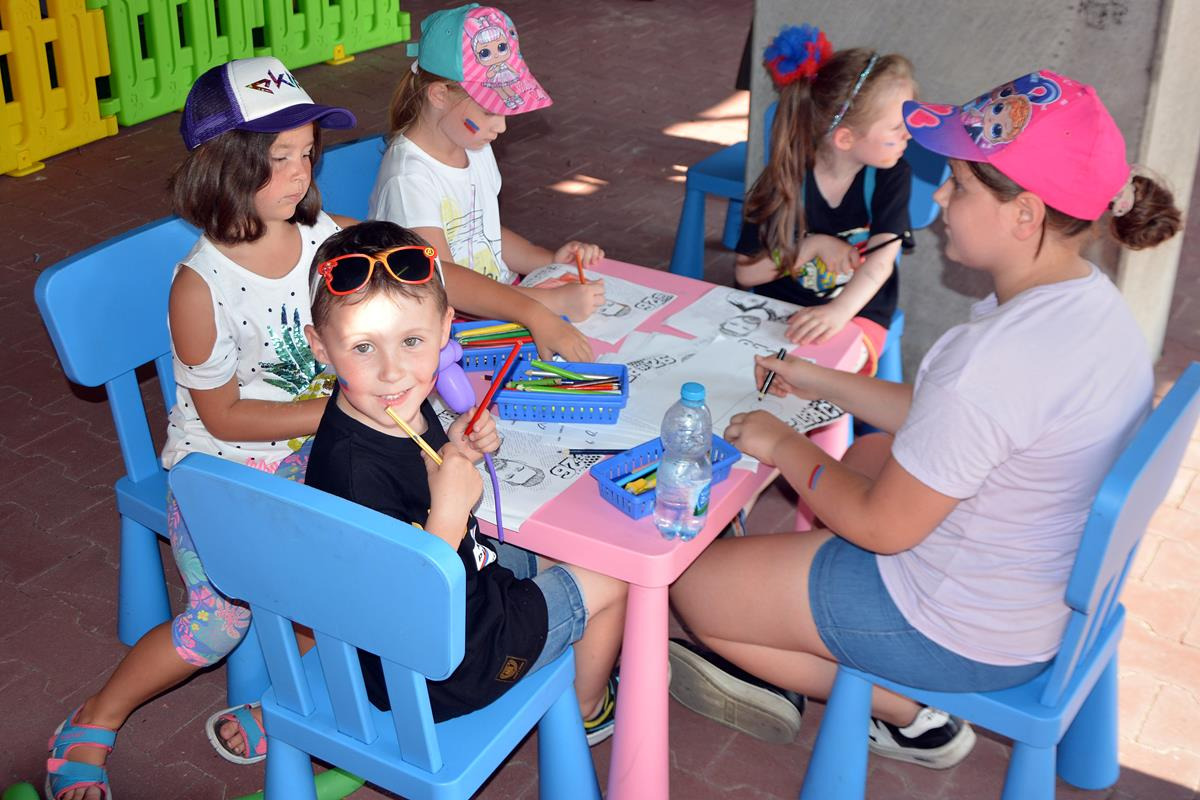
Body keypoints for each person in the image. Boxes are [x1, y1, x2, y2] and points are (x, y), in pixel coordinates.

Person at [667, 70, 1181, 771]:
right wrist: (819, 379)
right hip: (1033, 589)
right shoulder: (1086, 302)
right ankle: (800, 630)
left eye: (959, 186)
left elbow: (882, 527)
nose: (938, 198)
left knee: (691, 585)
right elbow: (949, 417)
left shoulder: (991, 361)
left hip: (957, 627)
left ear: (1024, 214)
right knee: (868, 455)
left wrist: (781, 442)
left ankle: (910, 714)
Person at [44, 57, 359, 800]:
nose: (301, 173)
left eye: (308, 153)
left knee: (367, 560)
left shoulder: (322, 235)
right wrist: (342, 411)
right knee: (217, 625)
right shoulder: (200, 285)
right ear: (224, 166)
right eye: (279, 158)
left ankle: (285, 699)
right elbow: (223, 416)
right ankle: (94, 717)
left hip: (314, 445)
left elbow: (396, 272)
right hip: (225, 467)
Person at [302, 220, 627, 742]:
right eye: (363, 348)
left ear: (445, 328)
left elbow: (417, 487)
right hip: (440, 668)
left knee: (582, 548)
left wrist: (456, 448)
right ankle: (590, 708)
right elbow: (409, 609)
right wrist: (451, 512)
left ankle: (578, 647)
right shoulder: (352, 473)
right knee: (613, 578)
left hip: (466, 591)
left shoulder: (382, 408)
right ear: (321, 346)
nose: (392, 371)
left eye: (412, 341)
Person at [369, 3, 608, 324]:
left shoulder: (474, 145)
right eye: (489, 111)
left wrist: (549, 261)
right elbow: (443, 281)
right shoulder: (408, 178)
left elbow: (485, 231)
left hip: (501, 303)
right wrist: (550, 302)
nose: (502, 127)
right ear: (439, 95)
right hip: (451, 323)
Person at [734, 24, 916, 375]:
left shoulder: (892, 176)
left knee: (822, 377)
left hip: (858, 312)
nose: (909, 133)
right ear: (845, 139)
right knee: (754, 378)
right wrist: (810, 247)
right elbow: (746, 273)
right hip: (780, 311)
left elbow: (880, 264)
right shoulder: (785, 179)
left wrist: (838, 313)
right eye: (897, 127)